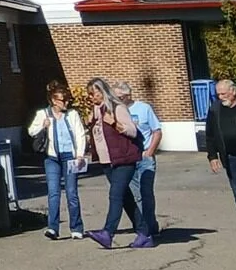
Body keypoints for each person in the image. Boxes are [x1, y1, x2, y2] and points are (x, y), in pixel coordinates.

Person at [82, 76, 144, 248]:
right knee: (125, 198)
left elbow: (132, 131)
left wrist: (115, 123)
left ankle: (107, 233)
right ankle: (144, 233)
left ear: (103, 91)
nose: (92, 97)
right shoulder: (96, 111)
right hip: (107, 161)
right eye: (90, 94)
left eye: (94, 93)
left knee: (115, 195)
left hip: (124, 159)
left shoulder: (117, 108)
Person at [27, 81, 87, 239]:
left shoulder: (72, 115)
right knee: (53, 193)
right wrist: (43, 125)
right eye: (63, 100)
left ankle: (76, 228)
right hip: (52, 158)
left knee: (72, 192)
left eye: (67, 100)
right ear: (54, 100)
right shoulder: (43, 114)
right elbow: (31, 131)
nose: (66, 102)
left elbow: (80, 135)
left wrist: (80, 155)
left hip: (70, 157)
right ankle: (53, 227)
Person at [115, 82, 162, 246]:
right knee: (136, 195)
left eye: (120, 97)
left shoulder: (144, 108)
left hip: (144, 158)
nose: (118, 100)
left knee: (146, 192)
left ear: (128, 95)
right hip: (129, 158)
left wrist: (150, 151)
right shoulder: (116, 112)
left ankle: (149, 226)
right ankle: (146, 227)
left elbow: (157, 131)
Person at [207, 76, 236, 208]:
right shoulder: (215, 109)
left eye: (223, 94)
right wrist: (212, 156)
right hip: (231, 158)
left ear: (233, 91)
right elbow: (210, 134)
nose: (220, 97)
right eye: (218, 94)